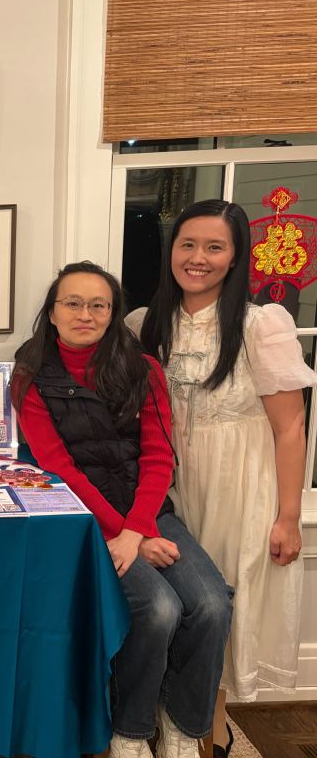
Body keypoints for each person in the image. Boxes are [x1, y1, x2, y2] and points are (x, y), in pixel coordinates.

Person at [14, 262, 231, 758]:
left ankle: (182, 724)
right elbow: (60, 468)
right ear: (52, 312)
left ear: (113, 314)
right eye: (72, 303)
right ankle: (129, 730)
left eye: (99, 305)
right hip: (86, 521)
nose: (85, 315)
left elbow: (158, 457)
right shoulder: (30, 376)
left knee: (212, 604)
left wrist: (137, 531)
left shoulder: (143, 369)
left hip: (148, 513)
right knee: (158, 608)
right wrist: (125, 534)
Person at [129, 200, 316, 756]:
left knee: (228, 599)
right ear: (171, 251)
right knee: (176, 603)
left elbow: (291, 427)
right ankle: (169, 713)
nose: (199, 258)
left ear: (235, 258)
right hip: (167, 487)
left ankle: (211, 722)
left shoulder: (261, 325)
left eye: (215, 247)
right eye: (188, 244)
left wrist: (288, 516)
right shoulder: (144, 324)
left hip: (240, 486)